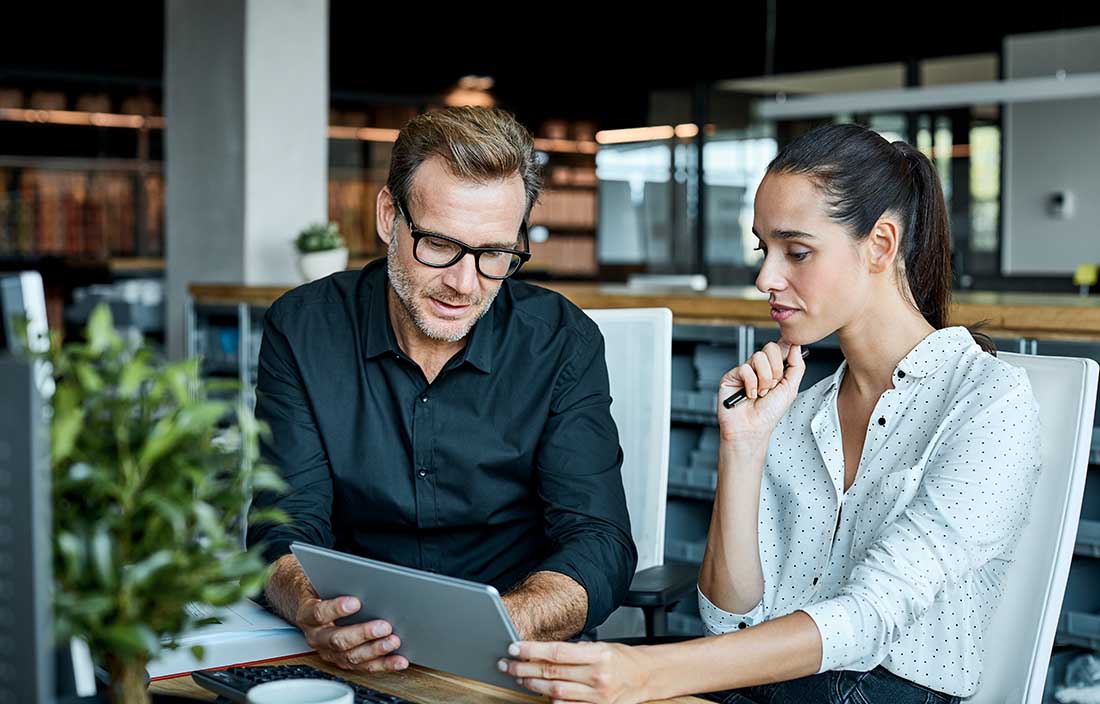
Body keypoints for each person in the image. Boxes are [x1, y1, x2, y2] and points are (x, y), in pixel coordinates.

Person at [501, 123, 1041, 704]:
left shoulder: (988, 403)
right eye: (764, 249)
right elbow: (728, 619)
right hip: (771, 689)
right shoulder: (797, 408)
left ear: (881, 245)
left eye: (797, 251)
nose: (765, 278)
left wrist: (648, 673)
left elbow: (869, 618)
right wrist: (744, 447)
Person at [247, 106, 637, 675]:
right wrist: (312, 608)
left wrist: (499, 623)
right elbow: (282, 525)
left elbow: (598, 542)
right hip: (352, 649)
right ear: (388, 216)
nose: (463, 283)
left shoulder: (562, 343)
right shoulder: (303, 329)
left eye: (494, 254)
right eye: (438, 244)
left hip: (514, 652)